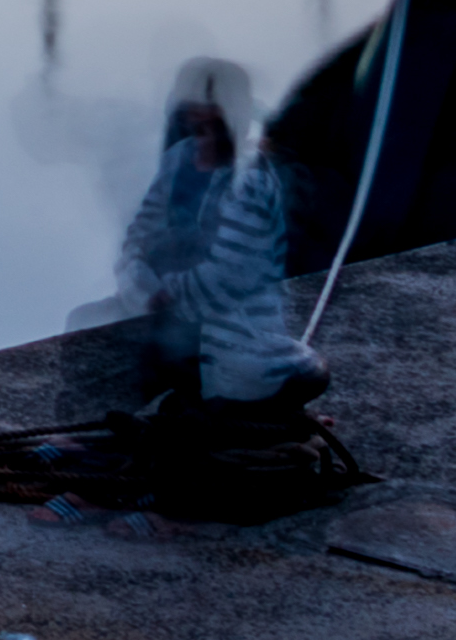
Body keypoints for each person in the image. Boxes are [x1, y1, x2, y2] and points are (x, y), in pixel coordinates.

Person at [111, 60, 319, 454]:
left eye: (214, 103)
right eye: (195, 101)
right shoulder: (177, 161)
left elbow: (230, 275)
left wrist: (166, 294)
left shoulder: (252, 179)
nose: (201, 114)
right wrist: (140, 287)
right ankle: (104, 441)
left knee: (200, 387)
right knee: (93, 329)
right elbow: (137, 237)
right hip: (169, 308)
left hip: (235, 322)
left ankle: (166, 480)